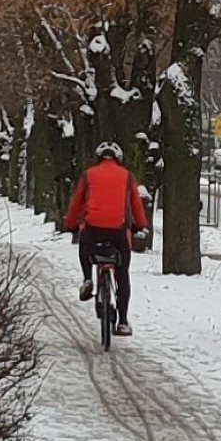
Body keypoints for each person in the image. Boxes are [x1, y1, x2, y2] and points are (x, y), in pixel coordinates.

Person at [64, 141, 149, 336]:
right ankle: (123, 321)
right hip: (118, 232)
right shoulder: (127, 176)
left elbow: (78, 201)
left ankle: (87, 278)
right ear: (118, 159)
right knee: (123, 273)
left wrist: (70, 224)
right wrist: (141, 225)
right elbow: (136, 204)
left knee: (85, 246)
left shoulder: (89, 174)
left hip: (93, 229)